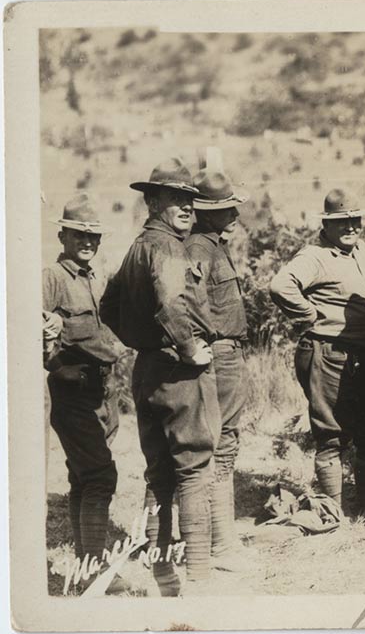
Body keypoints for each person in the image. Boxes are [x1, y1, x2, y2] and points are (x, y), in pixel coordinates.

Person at [100, 157, 221, 595]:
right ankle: (200, 581)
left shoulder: (137, 247)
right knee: (193, 469)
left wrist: (142, 341)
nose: (186, 208)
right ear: (152, 202)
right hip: (177, 369)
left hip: (149, 369)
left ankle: (163, 575)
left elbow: (108, 309)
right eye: (175, 199)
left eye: (189, 199)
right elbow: (172, 305)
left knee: (160, 474)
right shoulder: (168, 247)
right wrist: (187, 347)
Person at [269, 189, 365, 520]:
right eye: (341, 222)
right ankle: (334, 513)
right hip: (328, 354)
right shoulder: (314, 256)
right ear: (326, 225)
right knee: (332, 434)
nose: (350, 227)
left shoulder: (362, 252)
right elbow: (280, 286)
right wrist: (309, 314)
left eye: (354, 220)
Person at [42, 193, 125, 576]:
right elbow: (26, 326)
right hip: (73, 392)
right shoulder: (53, 278)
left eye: (94, 237)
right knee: (100, 477)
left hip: (102, 391)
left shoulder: (95, 277)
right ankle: (95, 566)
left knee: (82, 477)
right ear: (63, 237)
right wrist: (56, 367)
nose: (88, 242)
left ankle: (83, 561)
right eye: (79, 235)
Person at [184, 168, 252, 572]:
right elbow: (190, 302)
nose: (234, 214)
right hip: (217, 355)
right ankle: (220, 545)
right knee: (218, 444)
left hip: (228, 353)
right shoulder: (198, 248)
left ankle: (224, 540)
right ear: (206, 212)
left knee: (227, 442)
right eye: (226, 208)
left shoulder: (212, 244)